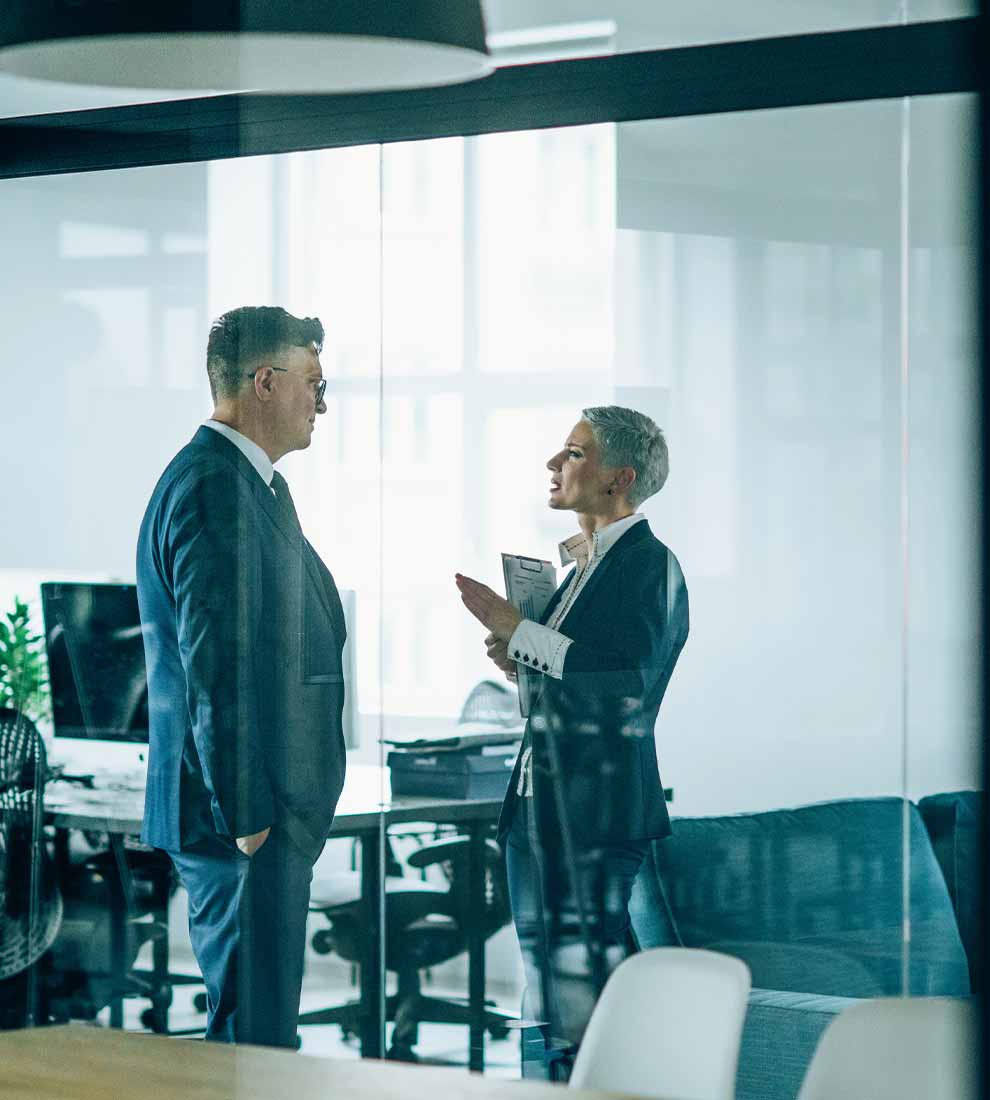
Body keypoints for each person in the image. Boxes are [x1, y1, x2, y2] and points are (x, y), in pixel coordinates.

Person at [455, 405, 689, 1077]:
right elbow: (575, 668)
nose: (554, 465)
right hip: (539, 807)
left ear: (621, 478)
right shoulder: (582, 568)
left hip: (594, 809)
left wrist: (518, 631)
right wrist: (519, 657)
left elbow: (628, 684)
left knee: (582, 998)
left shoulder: (650, 565)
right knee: (551, 993)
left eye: (574, 453)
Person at [136, 306, 347, 1048]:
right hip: (241, 819)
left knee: (262, 1035)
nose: (323, 403)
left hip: (256, 813)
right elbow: (216, 669)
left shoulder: (252, 485)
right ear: (265, 382)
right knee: (254, 1042)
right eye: (315, 383)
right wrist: (251, 817)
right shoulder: (213, 486)